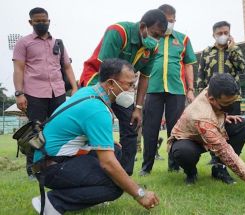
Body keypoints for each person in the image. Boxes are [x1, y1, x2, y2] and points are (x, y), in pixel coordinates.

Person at [31, 58, 160, 214]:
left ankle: (89, 195)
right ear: (111, 83)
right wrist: (139, 193)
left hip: (46, 159)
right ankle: (53, 203)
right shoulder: (97, 110)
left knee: (114, 150)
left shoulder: (88, 92)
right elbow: (108, 164)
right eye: (129, 84)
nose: (132, 89)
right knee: (115, 185)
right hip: (50, 167)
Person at [168, 74, 245, 202]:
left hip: (209, 130)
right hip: (188, 140)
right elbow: (226, 152)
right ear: (212, 99)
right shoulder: (201, 116)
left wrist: (222, 117)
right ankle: (191, 172)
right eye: (227, 103)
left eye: (233, 101)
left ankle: (219, 169)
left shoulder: (213, 88)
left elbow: (215, 112)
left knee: (241, 125)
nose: (231, 106)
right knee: (183, 152)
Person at [79, 9, 167, 175]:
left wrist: (138, 108)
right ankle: (92, 172)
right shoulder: (118, 32)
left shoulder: (152, 49)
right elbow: (106, 72)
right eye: (154, 34)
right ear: (142, 27)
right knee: (95, 124)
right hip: (98, 80)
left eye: (160, 37)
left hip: (123, 86)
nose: (156, 40)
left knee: (131, 124)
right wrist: (106, 107)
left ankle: (125, 175)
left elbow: (145, 78)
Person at [13, 7, 78, 179]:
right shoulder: (23, 43)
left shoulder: (58, 43)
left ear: (49, 20)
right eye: (38, 21)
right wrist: (19, 93)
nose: (42, 23)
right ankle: (32, 169)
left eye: (44, 20)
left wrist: (75, 87)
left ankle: (56, 165)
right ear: (30, 22)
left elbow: (67, 67)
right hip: (34, 93)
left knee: (60, 129)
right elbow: (18, 69)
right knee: (35, 131)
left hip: (58, 93)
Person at [139, 4, 197, 176]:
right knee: (150, 129)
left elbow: (188, 65)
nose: (168, 24)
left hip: (177, 90)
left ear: (174, 20)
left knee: (175, 129)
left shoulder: (183, 39)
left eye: (171, 21)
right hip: (152, 89)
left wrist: (191, 89)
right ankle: (146, 166)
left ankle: (174, 164)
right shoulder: (150, 38)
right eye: (165, 20)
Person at [196, 20, 245, 183]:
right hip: (212, 99)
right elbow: (201, 74)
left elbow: (241, 67)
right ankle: (216, 160)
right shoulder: (206, 52)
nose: (223, 36)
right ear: (214, 35)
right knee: (213, 128)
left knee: (234, 127)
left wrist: (233, 48)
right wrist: (200, 96)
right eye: (219, 33)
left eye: (226, 32)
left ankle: (227, 161)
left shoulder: (235, 49)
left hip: (233, 97)